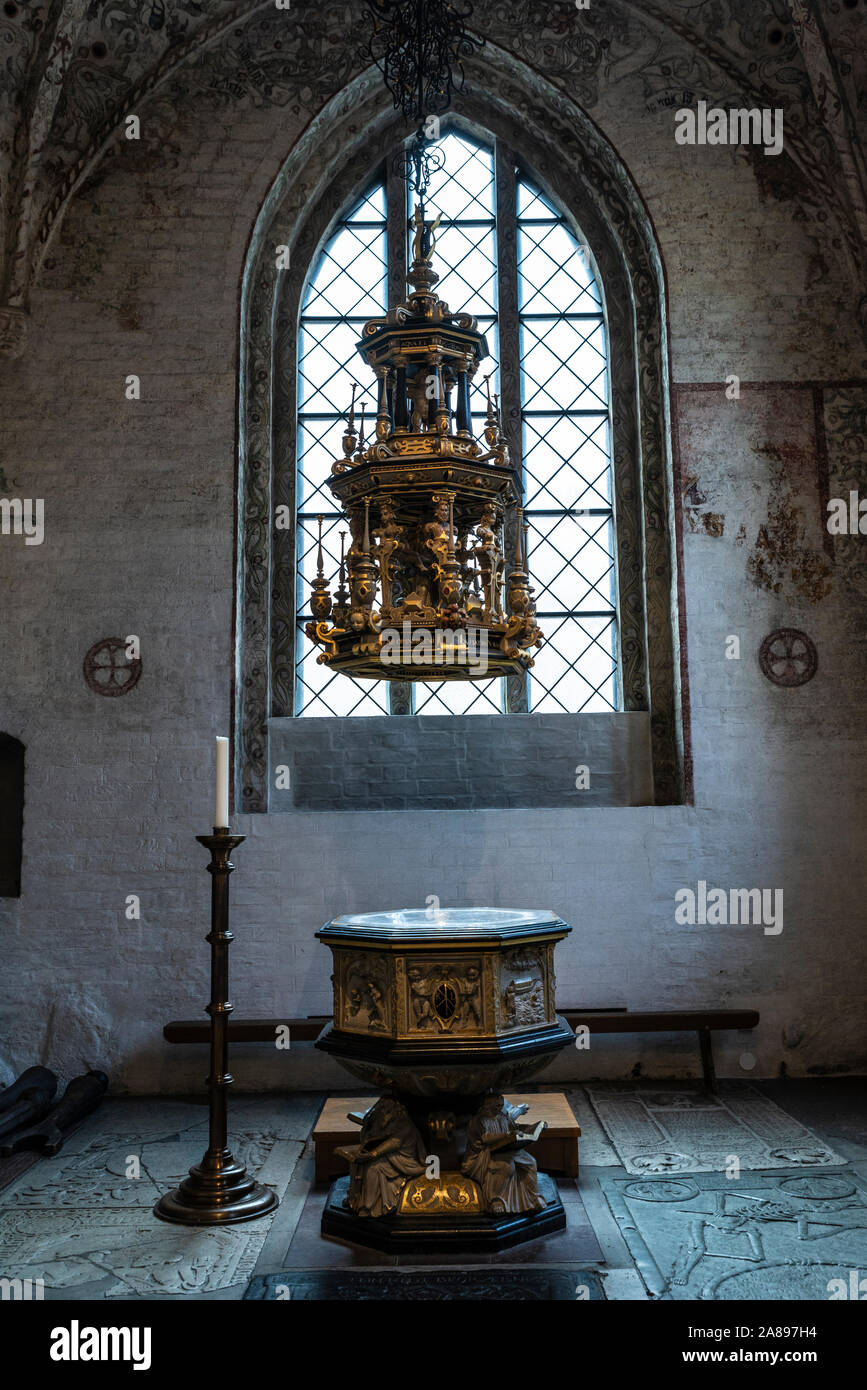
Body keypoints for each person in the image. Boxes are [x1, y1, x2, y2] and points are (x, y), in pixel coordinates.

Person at [461, 1092, 546, 1214]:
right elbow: (485, 1138)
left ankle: (533, 1197)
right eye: (496, 1106)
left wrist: (530, 1131)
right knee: (506, 1166)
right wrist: (506, 1135)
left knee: (530, 1162)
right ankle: (495, 1199)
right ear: (487, 1105)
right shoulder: (479, 1120)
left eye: (501, 1105)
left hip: (509, 1149)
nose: (500, 1108)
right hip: (487, 1153)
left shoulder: (503, 1117)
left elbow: (513, 1129)